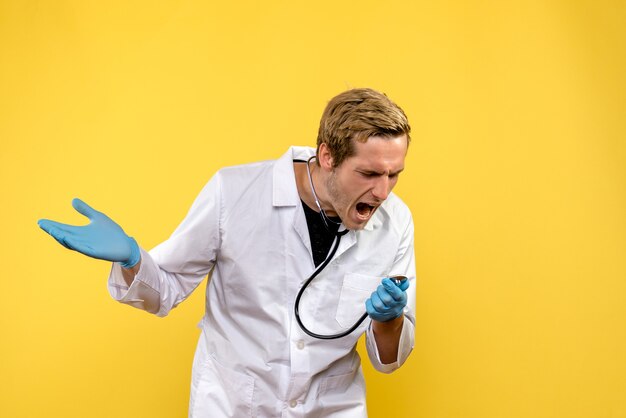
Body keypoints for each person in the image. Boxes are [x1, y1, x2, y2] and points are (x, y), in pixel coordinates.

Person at [38, 88, 416, 417]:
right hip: (233, 404)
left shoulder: (396, 222)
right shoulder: (234, 193)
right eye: (369, 174)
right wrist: (132, 259)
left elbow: (388, 360)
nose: (384, 192)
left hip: (332, 407)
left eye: (393, 174)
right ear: (328, 156)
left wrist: (390, 320)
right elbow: (166, 290)